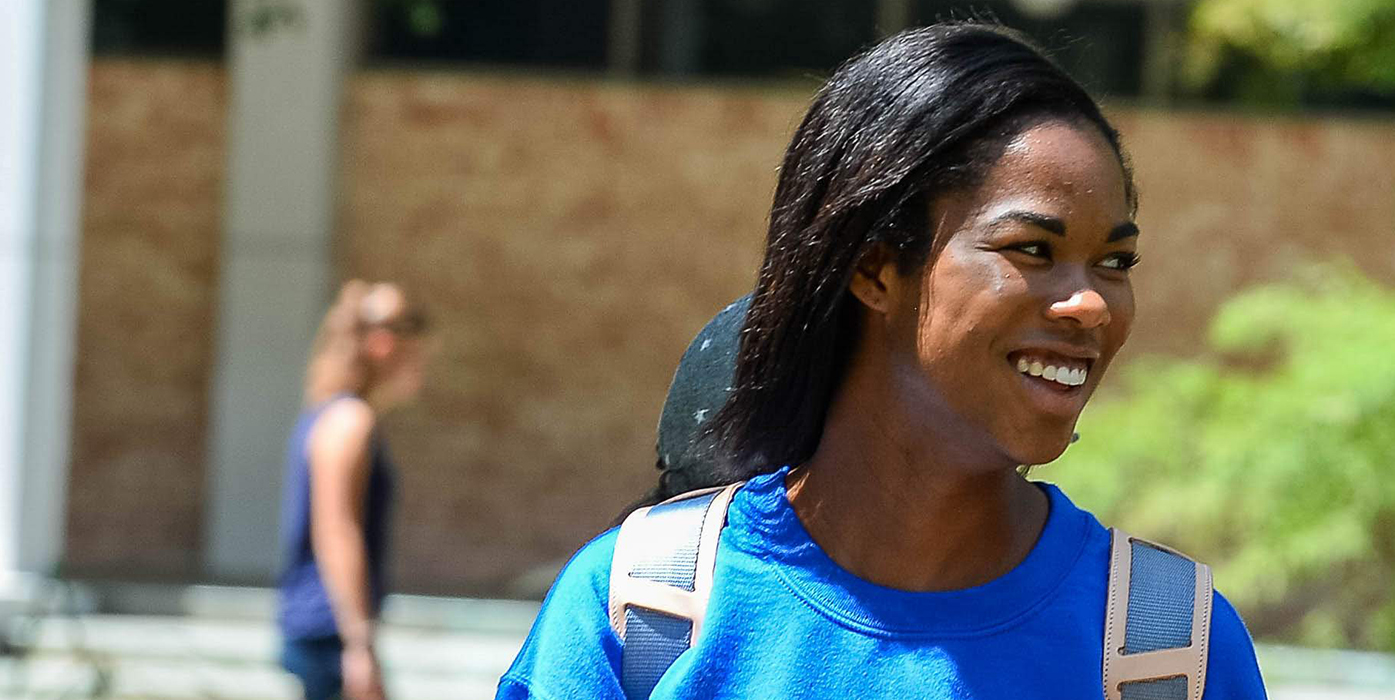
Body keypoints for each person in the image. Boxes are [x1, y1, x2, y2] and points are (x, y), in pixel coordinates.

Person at [497, 23, 1269, 699]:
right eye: (1033, 250)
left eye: (1115, 262)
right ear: (873, 269)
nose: (1092, 305)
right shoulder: (642, 614)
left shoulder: (1164, 653)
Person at [278, 280, 430, 700]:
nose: (420, 343)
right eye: (411, 327)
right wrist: (359, 644)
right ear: (381, 342)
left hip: (325, 628)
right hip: (329, 630)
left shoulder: (334, 413)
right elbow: (336, 531)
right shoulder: (349, 421)